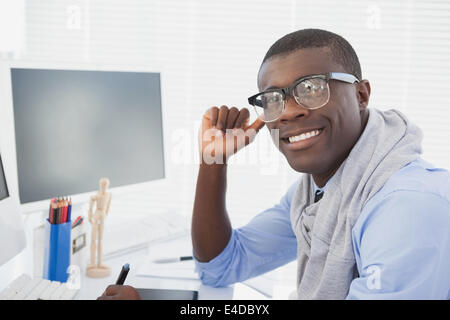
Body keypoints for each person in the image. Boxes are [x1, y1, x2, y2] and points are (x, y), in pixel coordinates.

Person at [98, 28, 450, 300]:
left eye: (312, 88)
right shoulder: (315, 193)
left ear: (361, 94)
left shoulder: (407, 207)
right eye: (273, 99)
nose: (290, 110)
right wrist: (214, 161)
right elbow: (220, 267)